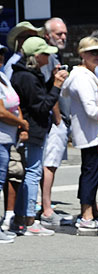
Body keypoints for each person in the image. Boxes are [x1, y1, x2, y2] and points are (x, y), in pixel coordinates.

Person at [9, 36, 67, 236]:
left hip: (31, 130)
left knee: (28, 173)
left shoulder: (25, 74)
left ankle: (21, 219)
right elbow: (42, 106)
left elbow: (38, 99)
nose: (48, 57)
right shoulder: (27, 77)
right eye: (44, 53)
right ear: (35, 56)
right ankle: (30, 220)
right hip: (32, 130)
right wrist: (57, 85)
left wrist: (52, 79)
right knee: (33, 173)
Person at [61, 37, 98, 231]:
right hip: (90, 132)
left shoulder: (89, 73)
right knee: (90, 172)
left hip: (94, 131)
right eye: (93, 53)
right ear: (82, 54)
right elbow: (91, 110)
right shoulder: (81, 76)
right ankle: (86, 214)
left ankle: (93, 208)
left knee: (93, 172)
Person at [39, 17, 70, 229]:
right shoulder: (46, 58)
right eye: (59, 34)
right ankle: (46, 209)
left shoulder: (53, 56)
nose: (63, 37)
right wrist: (58, 118)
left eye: (64, 33)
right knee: (49, 164)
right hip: (51, 120)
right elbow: (48, 90)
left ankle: (44, 205)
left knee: (51, 164)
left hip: (57, 118)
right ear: (47, 35)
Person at [0, 64, 27, 243]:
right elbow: (1, 111)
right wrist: (22, 123)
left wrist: (20, 123)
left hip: (7, 139)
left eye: (2, 55)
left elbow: (15, 104)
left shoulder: (3, 77)